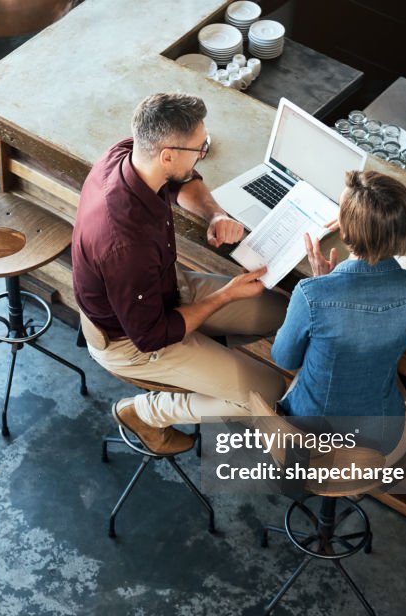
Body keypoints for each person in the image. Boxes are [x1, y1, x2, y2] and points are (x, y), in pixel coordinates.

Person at [72, 92, 288, 455]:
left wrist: (215, 214)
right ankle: (145, 413)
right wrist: (225, 296)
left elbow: (182, 181)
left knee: (279, 312)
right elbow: (151, 335)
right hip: (132, 340)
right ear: (167, 154)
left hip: (166, 289)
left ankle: (204, 355)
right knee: (268, 391)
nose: (203, 153)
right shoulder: (126, 244)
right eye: (198, 148)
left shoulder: (129, 153)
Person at [272, 169, 406, 451]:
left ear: (344, 230)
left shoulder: (311, 295)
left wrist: (323, 285)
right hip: (379, 438)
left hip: (310, 438)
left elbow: (284, 359)